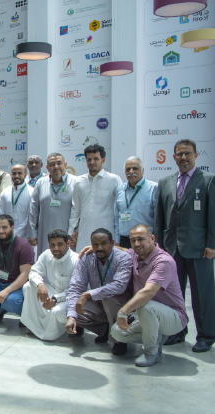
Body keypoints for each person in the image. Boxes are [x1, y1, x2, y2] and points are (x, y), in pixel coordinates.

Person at [154, 139, 215, 352]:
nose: (183, 157)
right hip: (171, 249)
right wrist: (159, 246)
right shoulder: (165, 182)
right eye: (179, 154)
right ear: (174, 157)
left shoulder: (208, 180)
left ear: (196, 155)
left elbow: (213, 215)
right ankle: (177, 331)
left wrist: (211, 243)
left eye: (188, 153)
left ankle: (206, 336)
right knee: (173, 294)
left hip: (200, 249)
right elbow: (159, 217)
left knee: (202, 295)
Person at [110, 224, 189, 367]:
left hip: (174, 317)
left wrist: (123, 311)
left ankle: (151, 352)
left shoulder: (163, 261)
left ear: (152, 238)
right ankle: (156, 337)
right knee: (117, 332)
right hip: (147, 315)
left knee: (146, 305)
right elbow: (122, 250)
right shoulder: (135, 254)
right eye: (133, 240)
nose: (136, 244)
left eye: (141, 239)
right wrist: (98, 248)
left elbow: (149, 292)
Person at [65, 228, 133, 356]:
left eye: (103, 243)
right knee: (70, 307)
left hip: (120, 304)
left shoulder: (123, 258)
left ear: (112, 243)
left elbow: (119, 286)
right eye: (95, 244)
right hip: (98, 302)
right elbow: (75, 286)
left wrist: (88, 294)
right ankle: (104, 330)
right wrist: (71, 316)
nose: (99, 248)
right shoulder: (86, 258)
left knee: (109, 299)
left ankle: (119, 339)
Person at [20, 229, 79, 340]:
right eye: (52, 245)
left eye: (60, 244)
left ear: (68, 243)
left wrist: (56, 299)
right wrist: (40, 284)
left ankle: (57, 331)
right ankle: (35, 327)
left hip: (69, 298)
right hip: (52, 292)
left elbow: (77, 290)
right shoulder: (47, 254)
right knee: (28, 286)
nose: (55, 248)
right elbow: (34, 272)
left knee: (58, 312)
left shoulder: (76, 260)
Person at [69, 144, 122, 249]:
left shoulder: (114, 180)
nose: (92, 162)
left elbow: (120, 209)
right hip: (84, 233)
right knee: (83, 257)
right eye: (89, 159)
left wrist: (118, 236)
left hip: (107, 231)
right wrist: (71, 231)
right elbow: (75, 209)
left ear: (103, 160)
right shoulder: (79, 181)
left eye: (96, 159)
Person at [29, 153, 78, 256]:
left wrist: (75, 231)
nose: (56, 167)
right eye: (52, 164)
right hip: (45, 233)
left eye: (59, 163)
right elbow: (33, 209)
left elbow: (79, 210)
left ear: (65, 165)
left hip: (68, 234)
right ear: (47, 167)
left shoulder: (75, 182)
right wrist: (32, 233)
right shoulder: (41, 183)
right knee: (46, 259)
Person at [114, 157, 158, 249]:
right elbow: (117, 217)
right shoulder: (120, 190)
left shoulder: (153, 188)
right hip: (124, 240)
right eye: (128, 169)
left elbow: (158, 218)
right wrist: (117, 240)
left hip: (144, 240)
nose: (131, 171)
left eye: (135, 168)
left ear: (142, 171)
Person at [0, 164, 33, 240]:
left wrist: (16, 232)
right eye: (14, 173)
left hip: (25, 236)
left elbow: (30, 217)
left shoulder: (31, 192)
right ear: (11, 175)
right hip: (7, 235)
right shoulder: (5, 192)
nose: (16, 176)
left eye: (20, 173)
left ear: (25, 175)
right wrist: (7, 230)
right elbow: (1, 214)